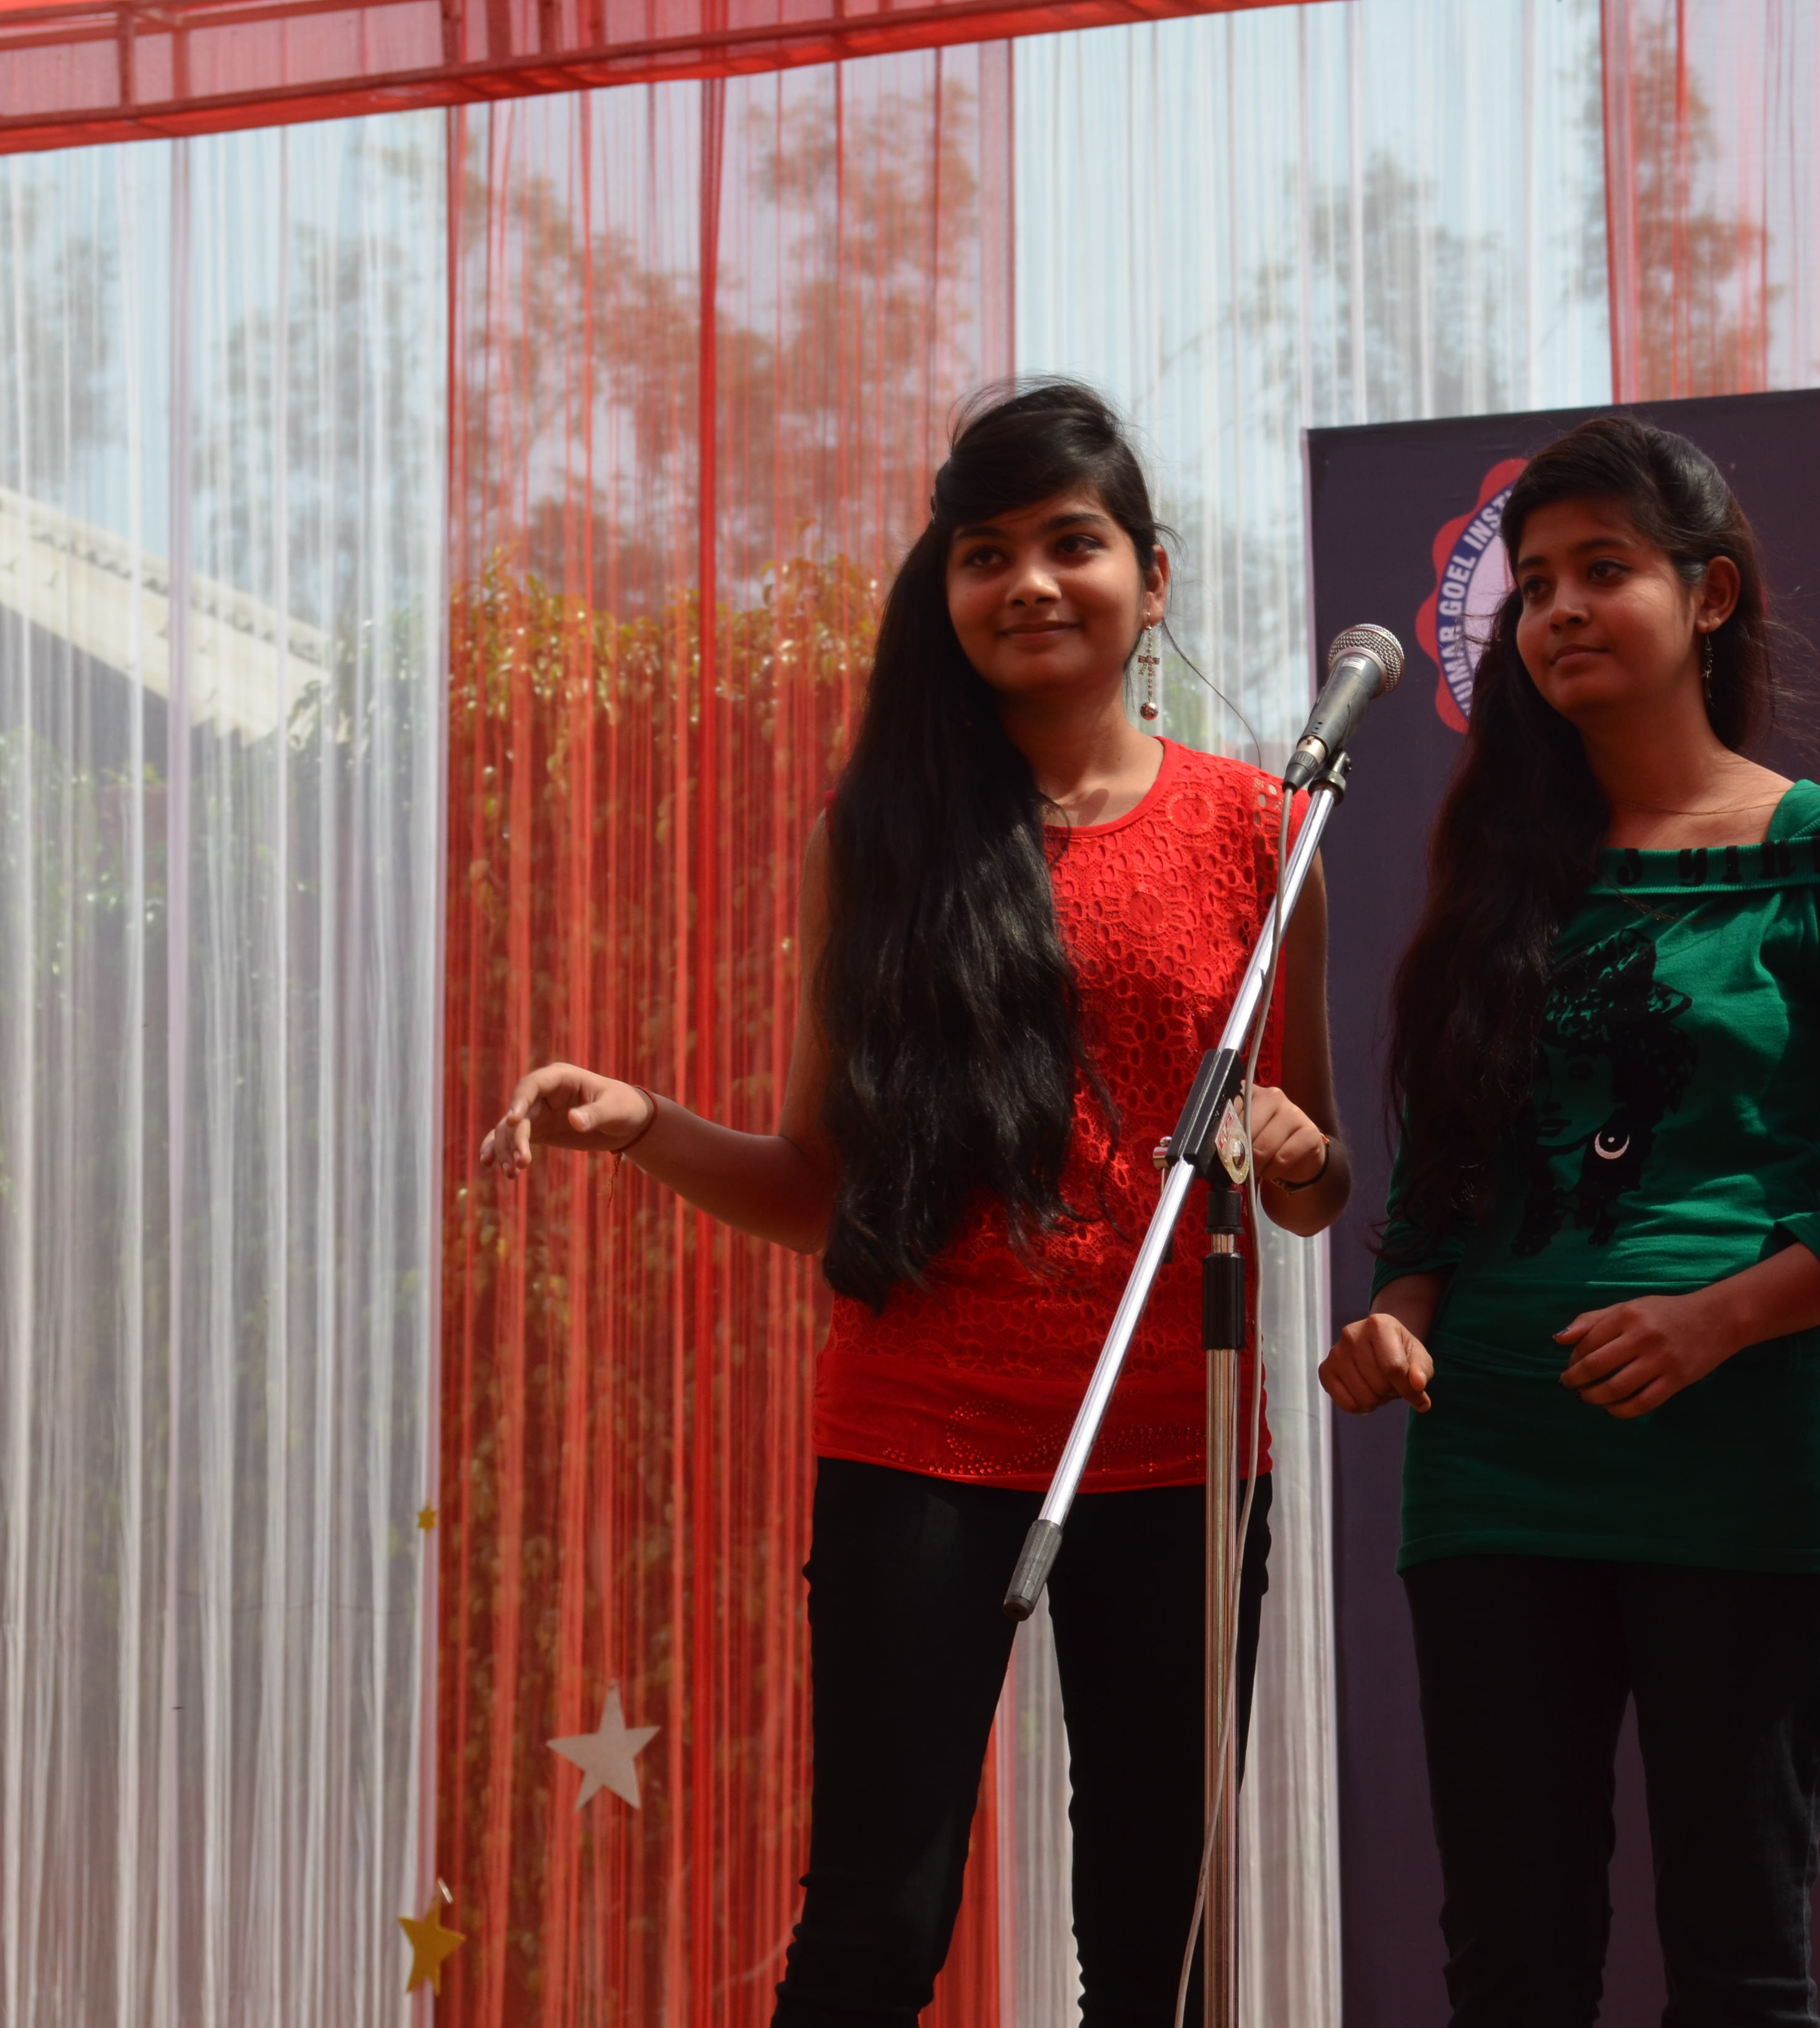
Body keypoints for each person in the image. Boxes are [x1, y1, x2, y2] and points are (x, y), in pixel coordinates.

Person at [477, 381, 1351, 2028]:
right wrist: (642, 1124)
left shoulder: (1267, 830)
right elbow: (826, 1193)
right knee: (876, 1928)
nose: (1030, 582)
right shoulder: (879, 845)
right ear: (944, 591)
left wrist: (1299, 1156)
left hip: (1178, 1446)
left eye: (1071, 543)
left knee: (1161, 1946)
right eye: (984, 552)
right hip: (919, 1443)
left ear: (1151, 576)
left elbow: (1308, 1194)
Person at [1320, 415, 1820, 2028]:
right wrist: (1398, 1323)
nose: (1561, 610)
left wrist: (1721, 1321)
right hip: (1496, 1468)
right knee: (1511, 1966)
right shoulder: (1499, 867)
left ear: (1710, 596)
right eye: (1534, 586)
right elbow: (1442, 1188)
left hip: (1746, 1461)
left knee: (1741, 1969)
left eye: (1604, 571)